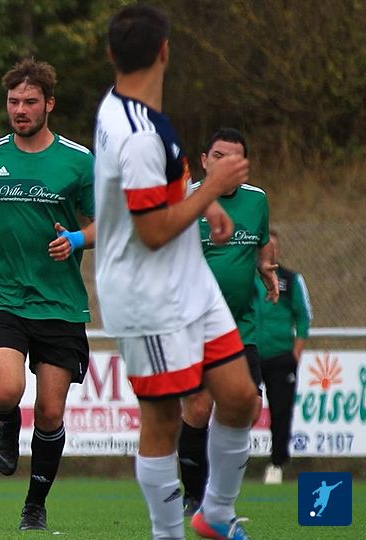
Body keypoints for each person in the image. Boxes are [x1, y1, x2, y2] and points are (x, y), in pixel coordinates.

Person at [93, 6, 256, 539]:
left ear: (112, 55)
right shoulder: (136, 134)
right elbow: (153, 231)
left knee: (239, 397)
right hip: (148, 296)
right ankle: (168, 535)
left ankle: (216, 514)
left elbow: (164, 175)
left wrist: (202, 198)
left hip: (189, 282)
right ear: (165, 51)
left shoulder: (127, 106)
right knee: (163, 419)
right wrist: (213, 189)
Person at [0, 57, 95, 531]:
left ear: (49, 104)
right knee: (5, 390)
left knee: (51, 412)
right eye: (13, 101)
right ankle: (8, 419)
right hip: (3, 296)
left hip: (59, 303)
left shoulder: (78, 161)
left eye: (30, 101)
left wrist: (76, 239)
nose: (20, 109)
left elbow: (104, 226)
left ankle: (34, 506)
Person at [178, 128, 278, 515]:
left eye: (234, 157)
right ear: (204, 161)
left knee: (248, 409)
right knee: (198, 408)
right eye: (218, 156)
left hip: (241, 325)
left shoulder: (257, 200)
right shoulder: (187, 200)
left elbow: (262, 241)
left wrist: (266, 267)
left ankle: (217, 492)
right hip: (194, 325)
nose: (226, 164)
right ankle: (194, 497)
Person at [255, 230, 312, 485]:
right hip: (250, 355)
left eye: (273, 247)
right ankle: (233, 462)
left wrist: (295, 353)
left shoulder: (290, 279)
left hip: (281, 357)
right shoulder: (245, 278)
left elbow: (303, 316)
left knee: (280, 412)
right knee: (241, 408)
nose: (269, 251)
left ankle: (276, 464)